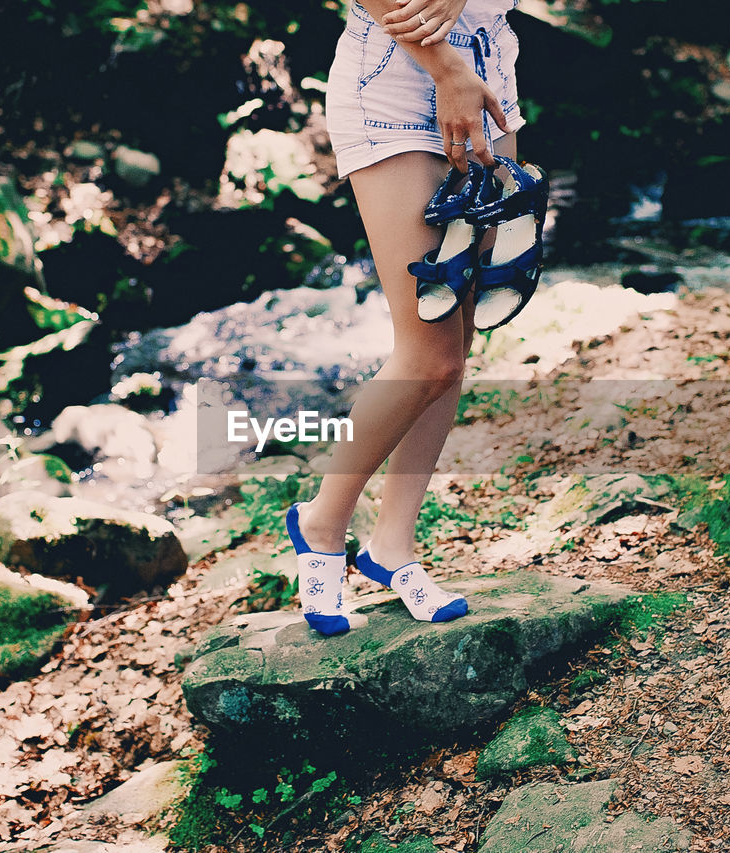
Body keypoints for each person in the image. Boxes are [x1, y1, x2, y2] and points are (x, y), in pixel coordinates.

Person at [285, 0, 528, 635]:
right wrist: (444, 65)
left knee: (455, 342)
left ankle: (392, 546)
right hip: (397, 78)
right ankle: (322, 521)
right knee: (428, 350)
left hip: (485, 70)